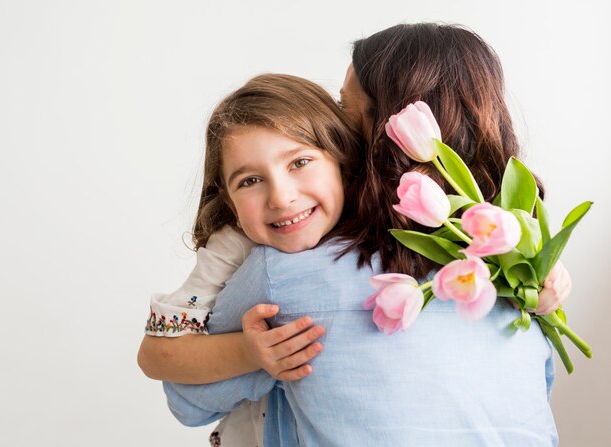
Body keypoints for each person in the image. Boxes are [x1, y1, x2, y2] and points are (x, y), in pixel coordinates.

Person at [159, 23, 572, 446]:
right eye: (250, 180)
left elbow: (187, 399)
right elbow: (541, 384)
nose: (335, 124)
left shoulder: (284, 270)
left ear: (382, 132)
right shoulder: (516, 277)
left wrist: (251, 358)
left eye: (345, 109)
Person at [140, 73, 362, 445]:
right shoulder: (235, 245)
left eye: (299, 162)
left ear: (342, 160)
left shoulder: (382, 230)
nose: (281, 197)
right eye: (250, 181)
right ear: (229, 202)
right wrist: (248, 352)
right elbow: (155, 354)